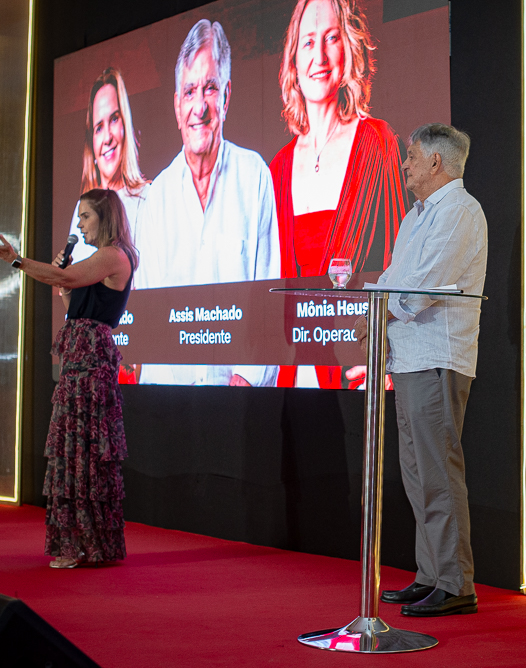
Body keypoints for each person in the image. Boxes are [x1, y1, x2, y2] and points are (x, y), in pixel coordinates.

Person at [355, 123, 486, 617]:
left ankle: (455, 583)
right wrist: (371, 315)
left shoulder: (460, 211)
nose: (404, 164)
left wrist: (380, 310)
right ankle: (430, 574)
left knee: (437, 468)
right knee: (416, 473)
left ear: (436, 162)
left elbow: (424, 285)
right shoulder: (416, 216)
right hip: (409, 357)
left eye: (411, 157)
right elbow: (392, 278)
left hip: (437, 356)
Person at [0, 189, 138, 569]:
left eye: (85, 216)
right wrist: (62, 285)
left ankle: (86, 544)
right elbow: (74, 302)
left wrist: (18, 261)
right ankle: (84, 543)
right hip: (78, 360)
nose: (78, 224)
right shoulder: (96, 259)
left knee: (82, 453)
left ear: (105, 217)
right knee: (73, 451)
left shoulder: (113, 255)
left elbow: (66, 281)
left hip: (90, 365)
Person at [134, 19, 279, 387]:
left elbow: (268, 294)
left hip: (239, 402)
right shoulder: (158, 198)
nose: (199, 107)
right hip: (169, 401)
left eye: (210, 88)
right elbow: (147, 313)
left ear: (227, 96)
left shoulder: (255, 176)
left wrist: (246, 381)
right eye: (189, 91)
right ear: (176, 106)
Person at [272, 0, 409, 389]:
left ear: (348, 47)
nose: (319, 55)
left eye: (331, 38)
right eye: (308, 42)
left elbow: (400, 263)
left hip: (359, 367)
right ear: (293, 59)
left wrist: (388, 353)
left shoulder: (377, 142)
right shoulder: (278, 168)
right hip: (296, 374)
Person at [66, 67, 150, 266]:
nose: (107, 138)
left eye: (114, 119)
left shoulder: (148, 199)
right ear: (91, 142)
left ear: (125, 125)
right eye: (98, 128)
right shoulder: (82, 208)